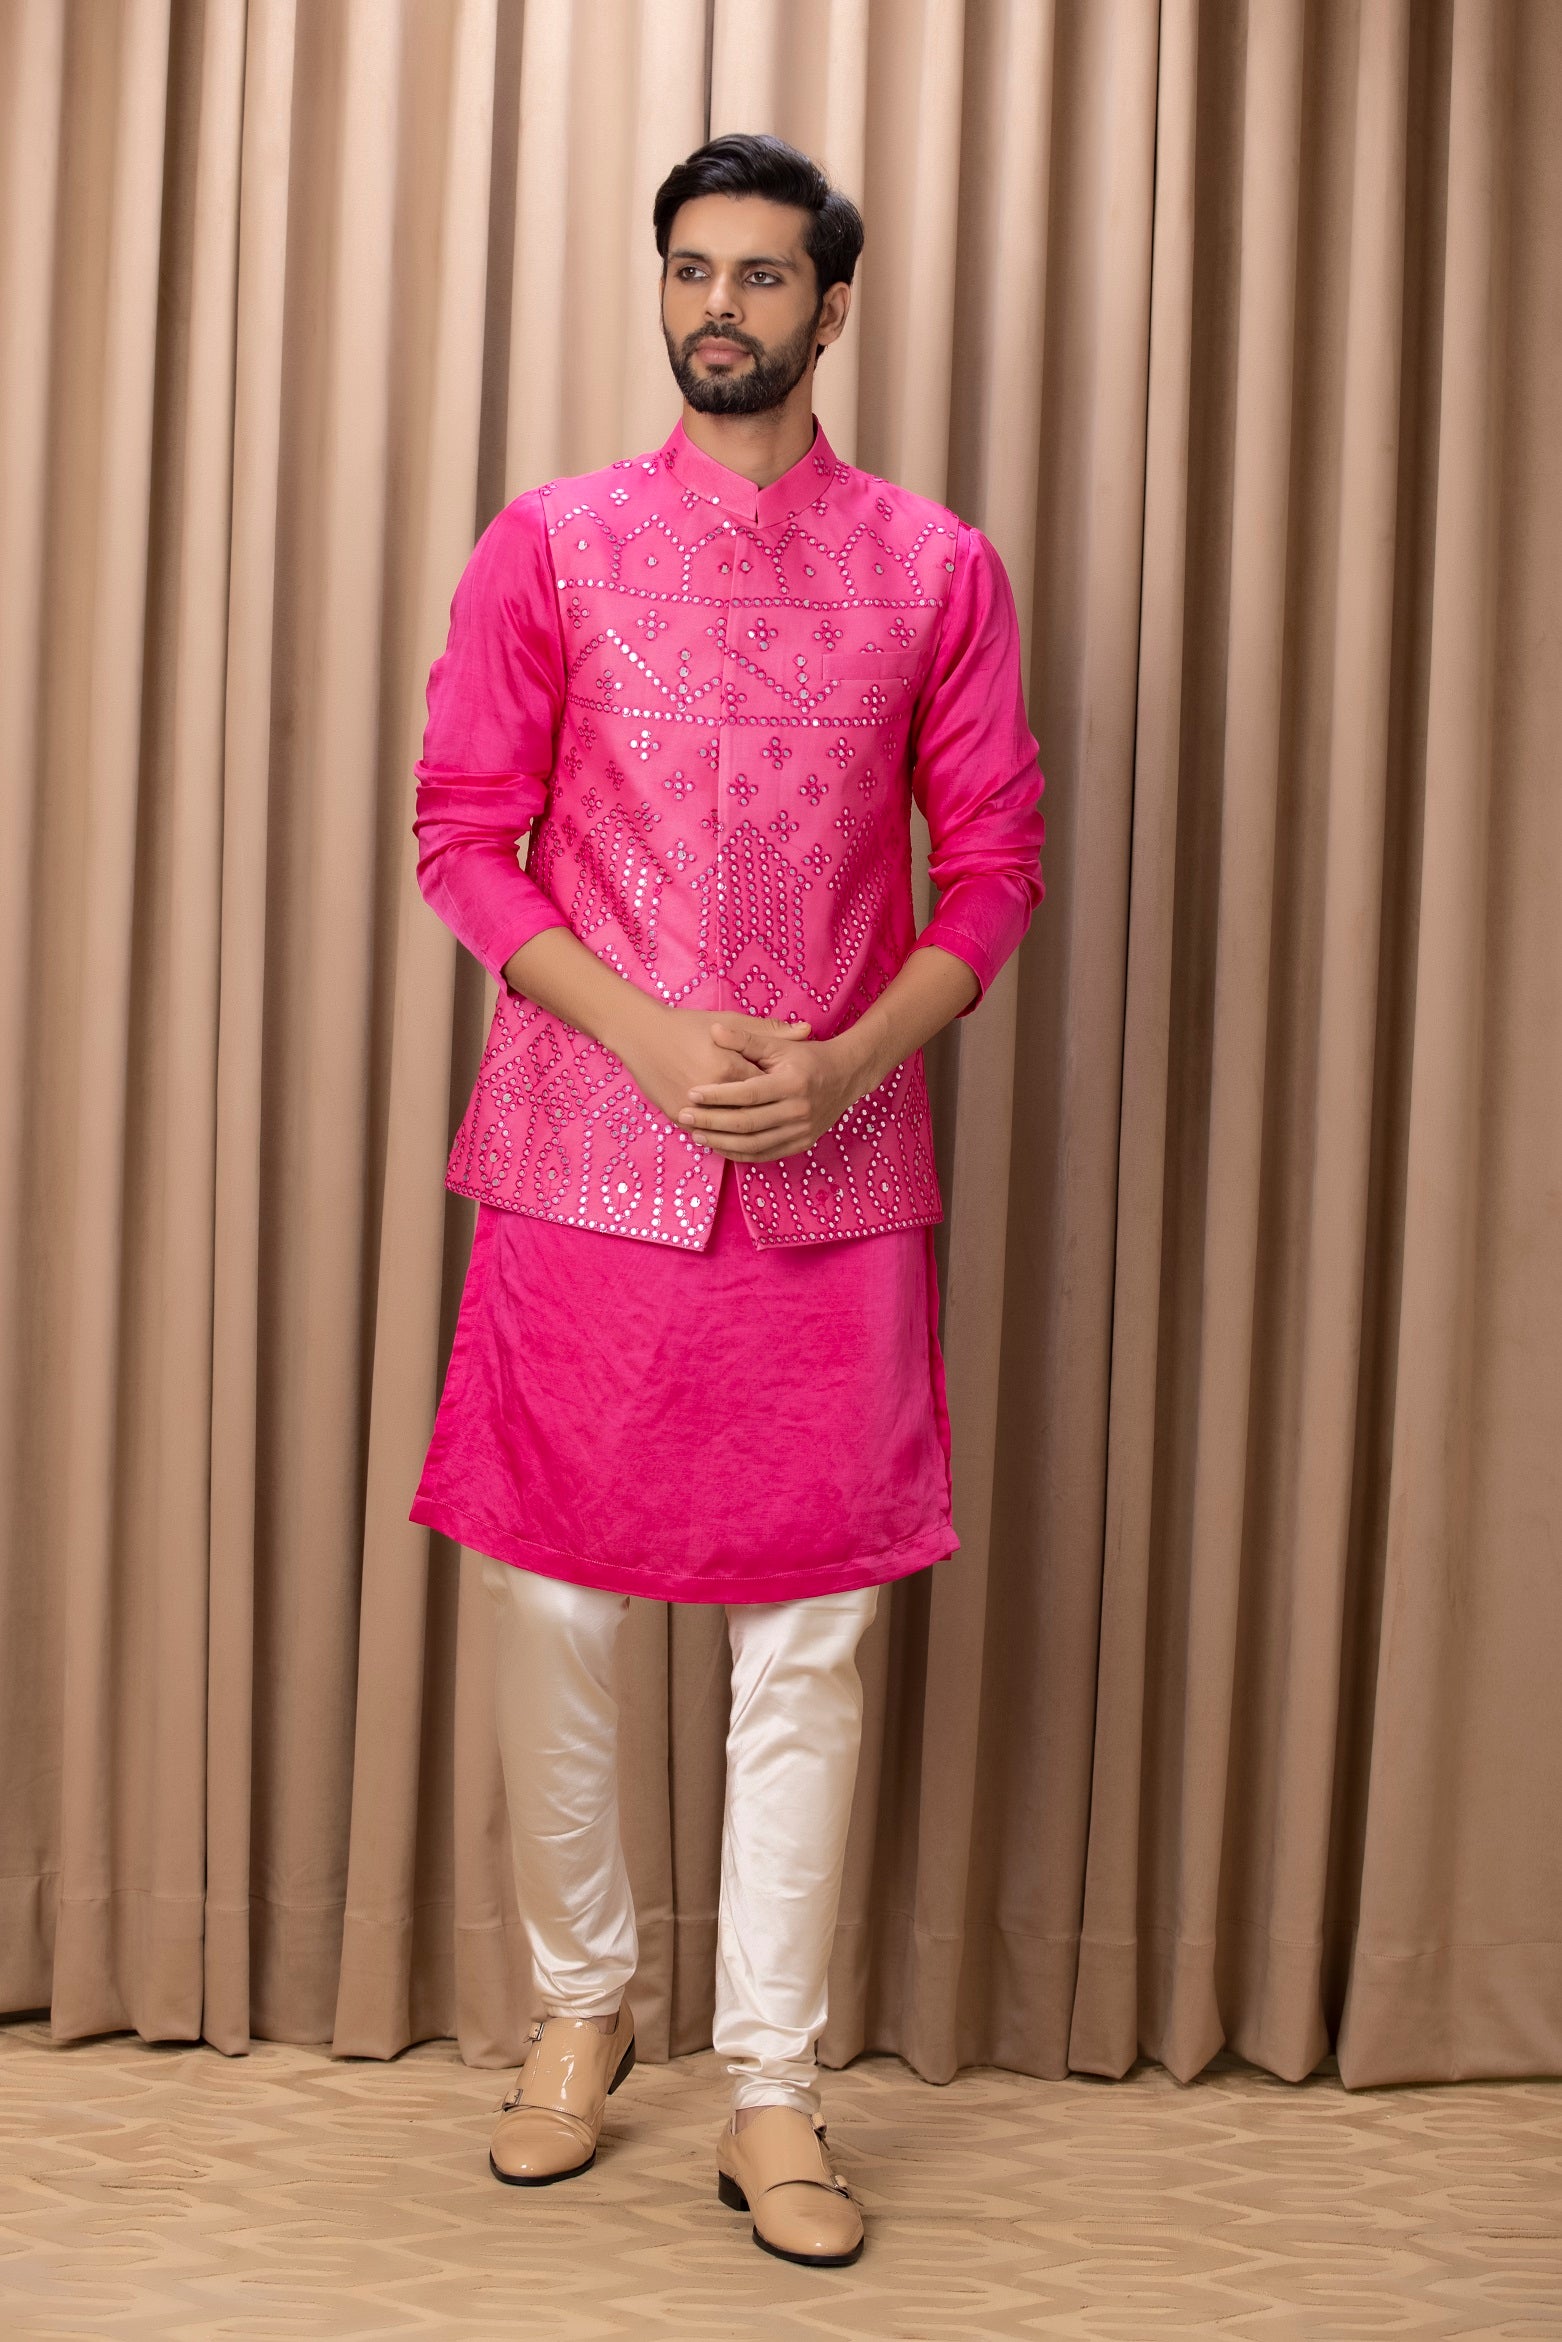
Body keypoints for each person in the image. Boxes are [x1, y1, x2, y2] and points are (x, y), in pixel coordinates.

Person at [407, 131, 1045, 2269]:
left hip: (832, 1169)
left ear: (830, 308)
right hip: (578, 1155)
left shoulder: (936, 566)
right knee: (551, 1607)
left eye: (763, 276)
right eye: (693, 269)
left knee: (813, 1636)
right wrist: (639, 1032)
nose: (720, 307)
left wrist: (851, 1059)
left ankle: (773, 2078)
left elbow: (997, 864)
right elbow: (462, 834)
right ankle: (580, 2006)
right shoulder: (553, 544)